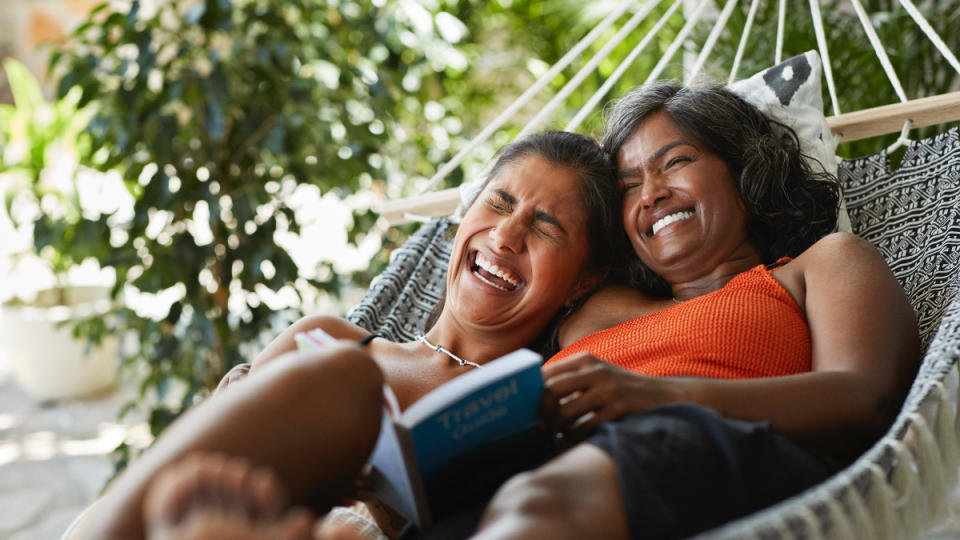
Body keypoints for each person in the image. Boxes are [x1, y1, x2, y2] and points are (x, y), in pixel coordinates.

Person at [69, 130, 626, 540]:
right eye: (497, 204)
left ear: (585, 279)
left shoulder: (539, 397)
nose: (506, 235)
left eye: (545, 226)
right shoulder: (331, 338)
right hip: (202, 512)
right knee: (341, 375)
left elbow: (691, 302)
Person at [467, 81, 920, 539]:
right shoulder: (587, 308)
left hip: (715, 467)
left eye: (676, 162)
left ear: (745, 170)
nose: (651, 194)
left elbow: (865, 399)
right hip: (538, 482)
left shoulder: (820, 265)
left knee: (539, 504)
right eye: (628, 186)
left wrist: (661, 396)